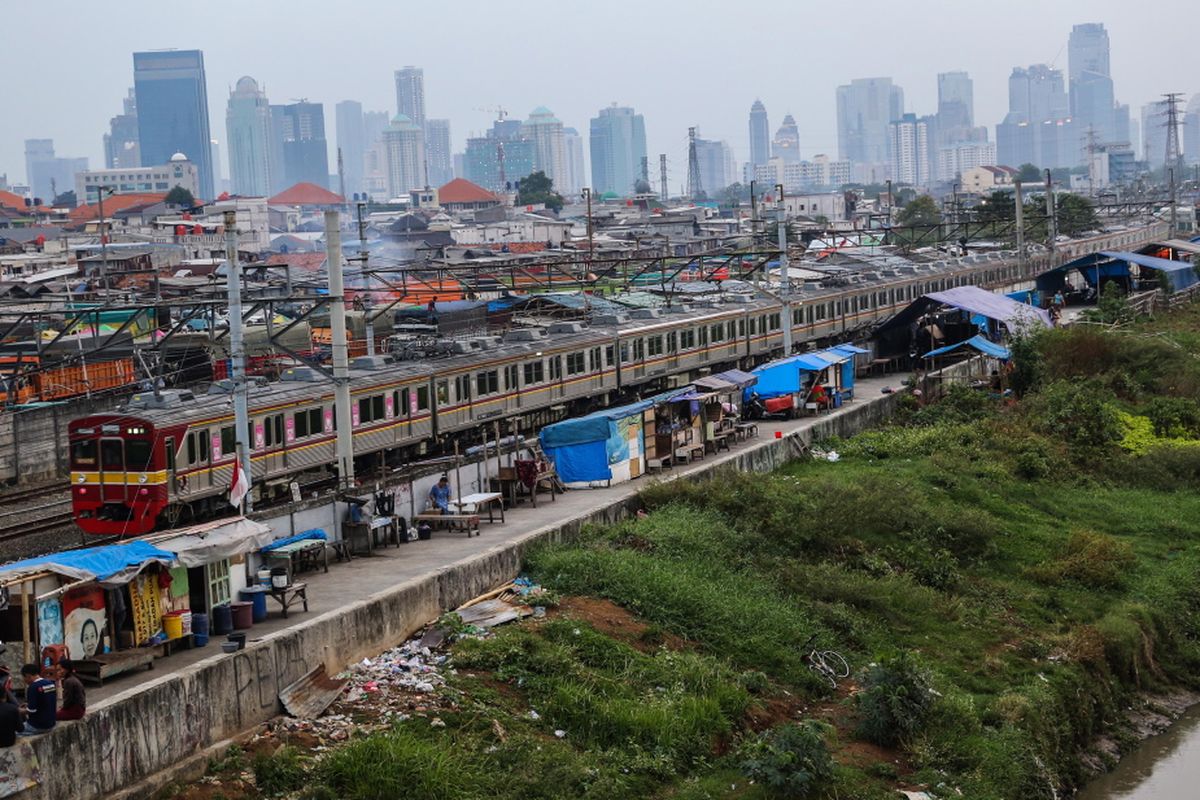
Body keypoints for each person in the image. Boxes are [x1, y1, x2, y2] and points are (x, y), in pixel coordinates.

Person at [18, 663, 55, 735]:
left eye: (24, 677)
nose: (24, 680)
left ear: (28, 676)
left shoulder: (33, 687)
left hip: (37, 725)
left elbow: (31, 710)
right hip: (51, 724)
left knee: (11, 732)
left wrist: (17, 710)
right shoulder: (50, 683)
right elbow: (45, 701)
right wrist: (29, 704)